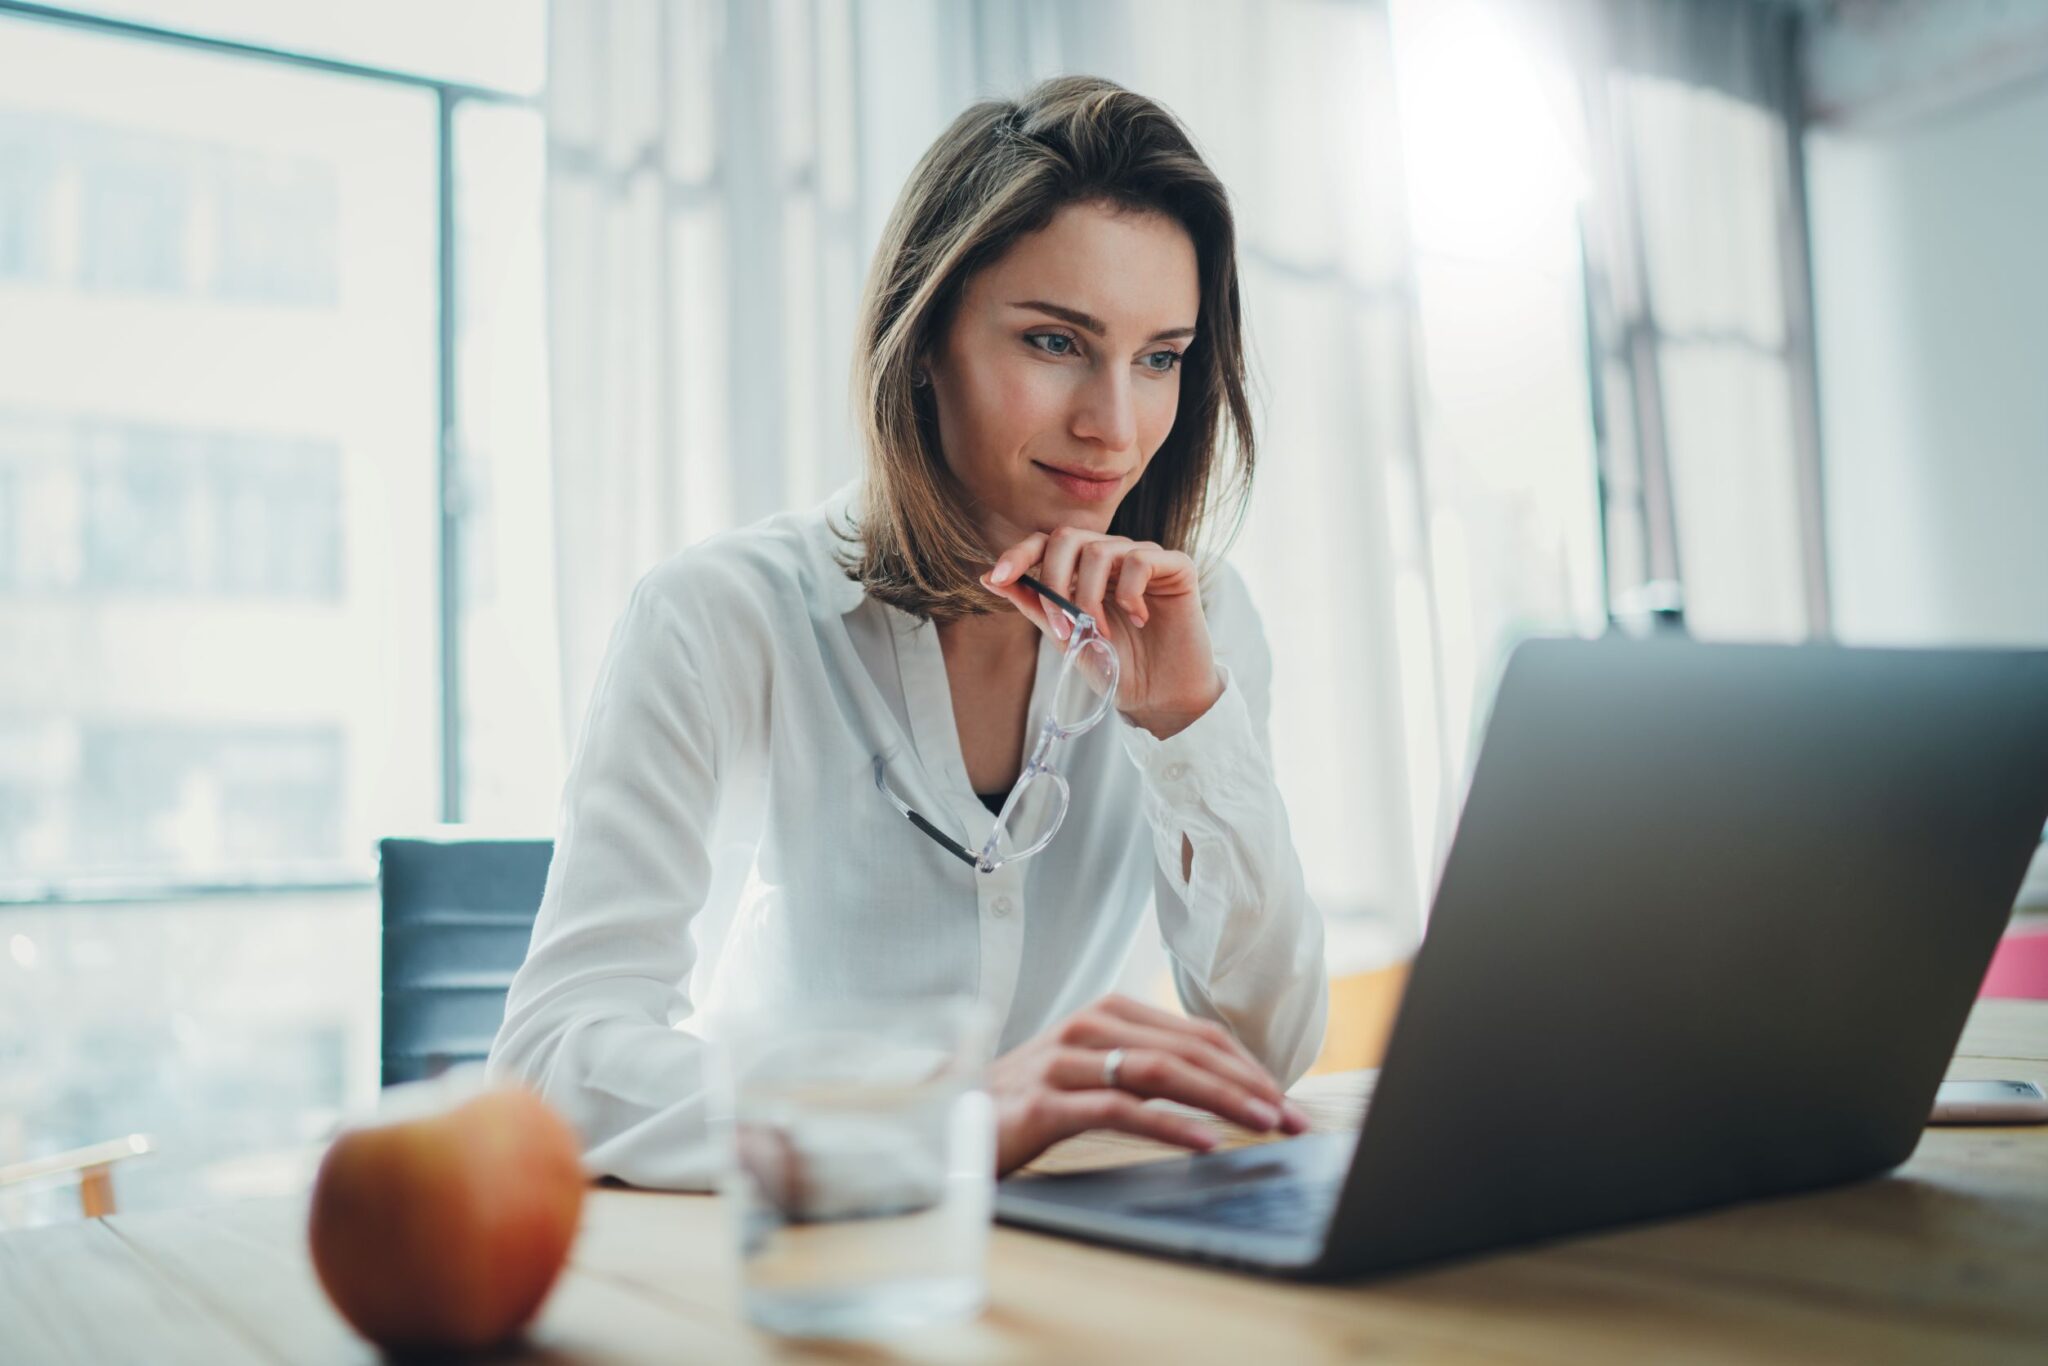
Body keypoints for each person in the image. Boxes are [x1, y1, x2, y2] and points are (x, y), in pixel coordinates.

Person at [489, 75, 1367, 1187]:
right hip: (798, 1243)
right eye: (1055, 342)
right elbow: (550, 1060)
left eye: (1159, 358)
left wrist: (1187, 727)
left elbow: (1261, 1053)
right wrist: (931, 1117)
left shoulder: (1194, 621)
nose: (1113, 423)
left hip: (1071, 1245)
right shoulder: (719, 615)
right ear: (922, 339)